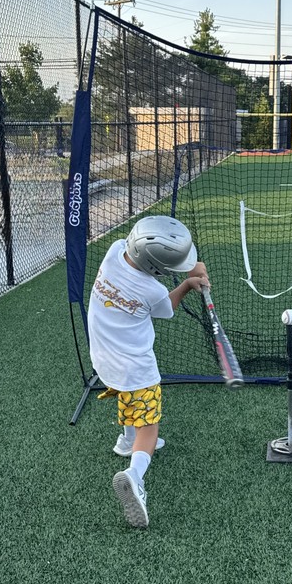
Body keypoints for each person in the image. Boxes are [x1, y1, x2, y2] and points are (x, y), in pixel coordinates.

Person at [87, 215, 209, 528]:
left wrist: (188, 268)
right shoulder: (152, 291)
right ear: (156, 269)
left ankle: (126, 442)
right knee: (149, 426)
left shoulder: (114, 251)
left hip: (103, 356)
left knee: (127, 394)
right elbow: (167, 308)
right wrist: (187, 283)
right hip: (135, 366)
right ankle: (135, 474)